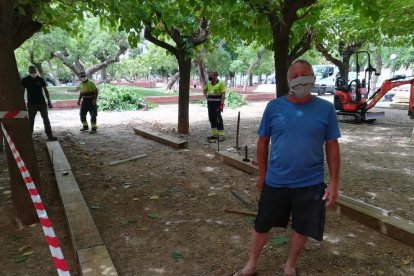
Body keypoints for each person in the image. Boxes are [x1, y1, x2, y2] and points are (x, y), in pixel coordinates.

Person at [233, 60, 341, 276]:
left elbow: (332, 145)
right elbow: (263, 141)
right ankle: (251, 264)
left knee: (302, 227)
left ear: (313, 78)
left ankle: (289, 266)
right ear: (288, 79)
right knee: (262, 224)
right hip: (276, 180)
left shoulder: (326, 109)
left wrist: (334, 183)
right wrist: (262, 174)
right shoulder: (274, 107)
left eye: (305, 74)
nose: (300, 79)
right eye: (295, 75)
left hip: (310, 183)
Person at [21, 66, 57, 141]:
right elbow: (22, 91)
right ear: (29, 71)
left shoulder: (40, 79)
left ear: (36, 71)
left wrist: (49, 100)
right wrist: (21, 102)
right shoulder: (25, 80)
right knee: (31, 121)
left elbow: (45, 90)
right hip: (31, 104)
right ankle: (29, 137)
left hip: (42, 103)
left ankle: (50, 135)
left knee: (46, 119)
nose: (33, 72)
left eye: (34, 71)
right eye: (31, 71)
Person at [203, 71, 226, 142]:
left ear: (215, 76)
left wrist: (222, 104)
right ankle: (214, 134)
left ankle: (221, 135)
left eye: (211, 75)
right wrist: (207, 98)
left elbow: (223, 94)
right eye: (209, 75)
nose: (210, 77)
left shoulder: (221, 83)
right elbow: (204, 90)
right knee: (211, 118)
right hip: (210, 104)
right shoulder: (209, 83)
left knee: (218, 118)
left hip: (217, 104)